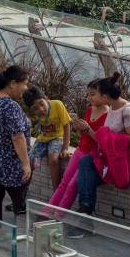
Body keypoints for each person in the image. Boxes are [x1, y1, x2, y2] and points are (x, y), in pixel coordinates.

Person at [76, 72, 130, 217]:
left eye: (96, 93)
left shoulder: (127, 110)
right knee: (85, 162)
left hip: (122, 158)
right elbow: (102, 137)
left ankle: (86, 212)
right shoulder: (112, 108)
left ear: (104, 96)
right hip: (109, 155)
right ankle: (86, 208)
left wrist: (108, 136)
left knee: (87, 178)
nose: (94, 97)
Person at [0, 65, 33, 221]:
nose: (26, 88)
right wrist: (26, 163)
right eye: (25, 83)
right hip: (10, 164)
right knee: (20, 202)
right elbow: (17, 137)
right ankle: (23, 234)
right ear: (13, 83)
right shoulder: (10, 106)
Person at [47, 80, 110, 212]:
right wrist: (79, 129)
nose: (89, 98)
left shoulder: (108, 115)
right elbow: (84, 137)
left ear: (103, 95)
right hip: (80, 151)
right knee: (64, 183)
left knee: (72, 186)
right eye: (88, 95)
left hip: (91, 156)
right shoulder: (89, 109)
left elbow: (102, 142)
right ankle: (46, 212)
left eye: (92, 94)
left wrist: (87, 129)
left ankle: (58, 216)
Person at [22, 86, 71, 192]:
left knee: (53, 159)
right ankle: (21, 197)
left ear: (46, 98)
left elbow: (67, 126)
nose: (40, 109)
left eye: (42, 104)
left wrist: (65, 148)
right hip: (42, 139)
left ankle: (56, 195)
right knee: (32, 160)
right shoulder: (36, 114)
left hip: (57, 137)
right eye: (35, 109)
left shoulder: (57, 104)